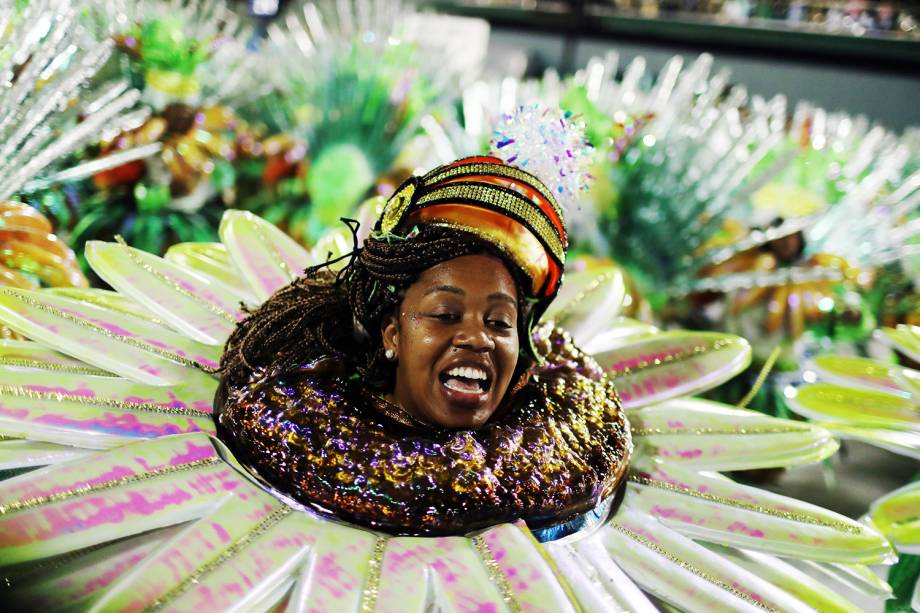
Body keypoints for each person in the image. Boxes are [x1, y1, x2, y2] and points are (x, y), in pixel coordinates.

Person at [214, 155, 631, 536]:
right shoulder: (294, 415)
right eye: (446, 315)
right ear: (392, 334)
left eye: (499, 322)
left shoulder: (546, 460)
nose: (477, 337)